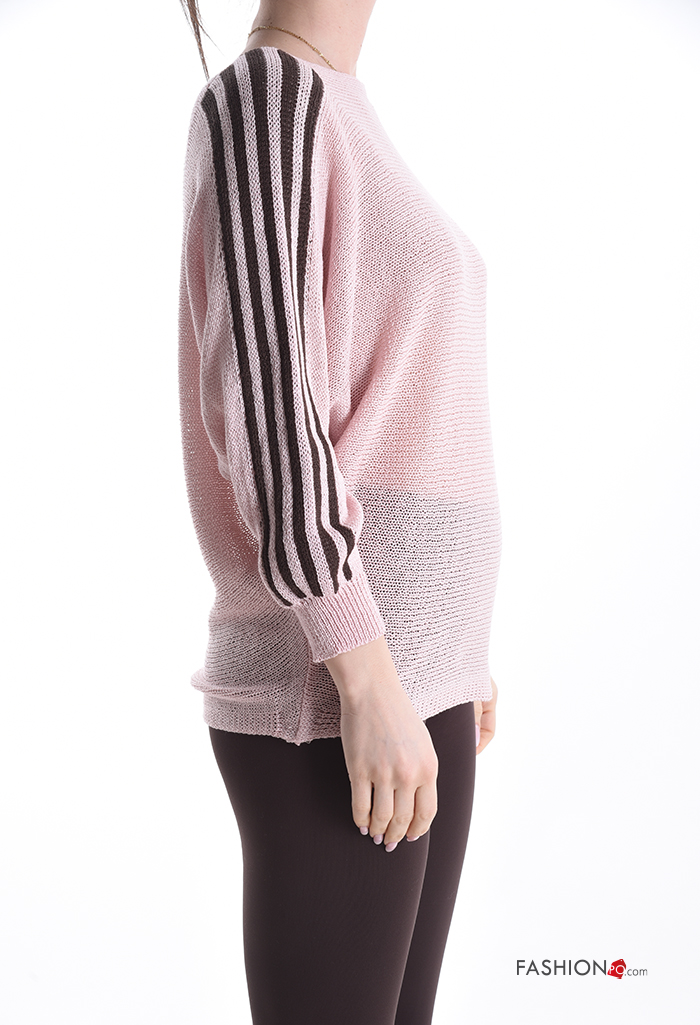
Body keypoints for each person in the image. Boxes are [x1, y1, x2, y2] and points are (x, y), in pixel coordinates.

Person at [177, 1, 501, 1022]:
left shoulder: (342, 103)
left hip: (414, 677)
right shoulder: (267, 97)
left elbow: (404, 408)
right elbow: (272, 419)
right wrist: (363, 671)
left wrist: (453, 652)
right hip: (334, 688)